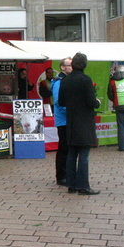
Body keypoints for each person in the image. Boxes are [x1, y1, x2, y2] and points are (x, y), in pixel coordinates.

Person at [57, 52, 101, 196]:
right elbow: (91, 101)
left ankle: (71, 184)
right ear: (85, 64)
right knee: (84, 155)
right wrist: (97, 102)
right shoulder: (85, 79)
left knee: (72, 153)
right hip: (84, 121)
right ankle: (83, 186)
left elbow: (61, 102)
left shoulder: (65, 81)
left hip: (71, 121)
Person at [50, 57, 72, 186]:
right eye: (69, 65)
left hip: (67, 118)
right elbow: (59, 102)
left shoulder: (66, 80)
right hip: (63, 120)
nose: (71, 67)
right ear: (63, 67)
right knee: (63, 148)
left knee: (68, 147)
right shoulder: (59, 82)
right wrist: (70, 111)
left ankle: (66, 173)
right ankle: (61, 175)